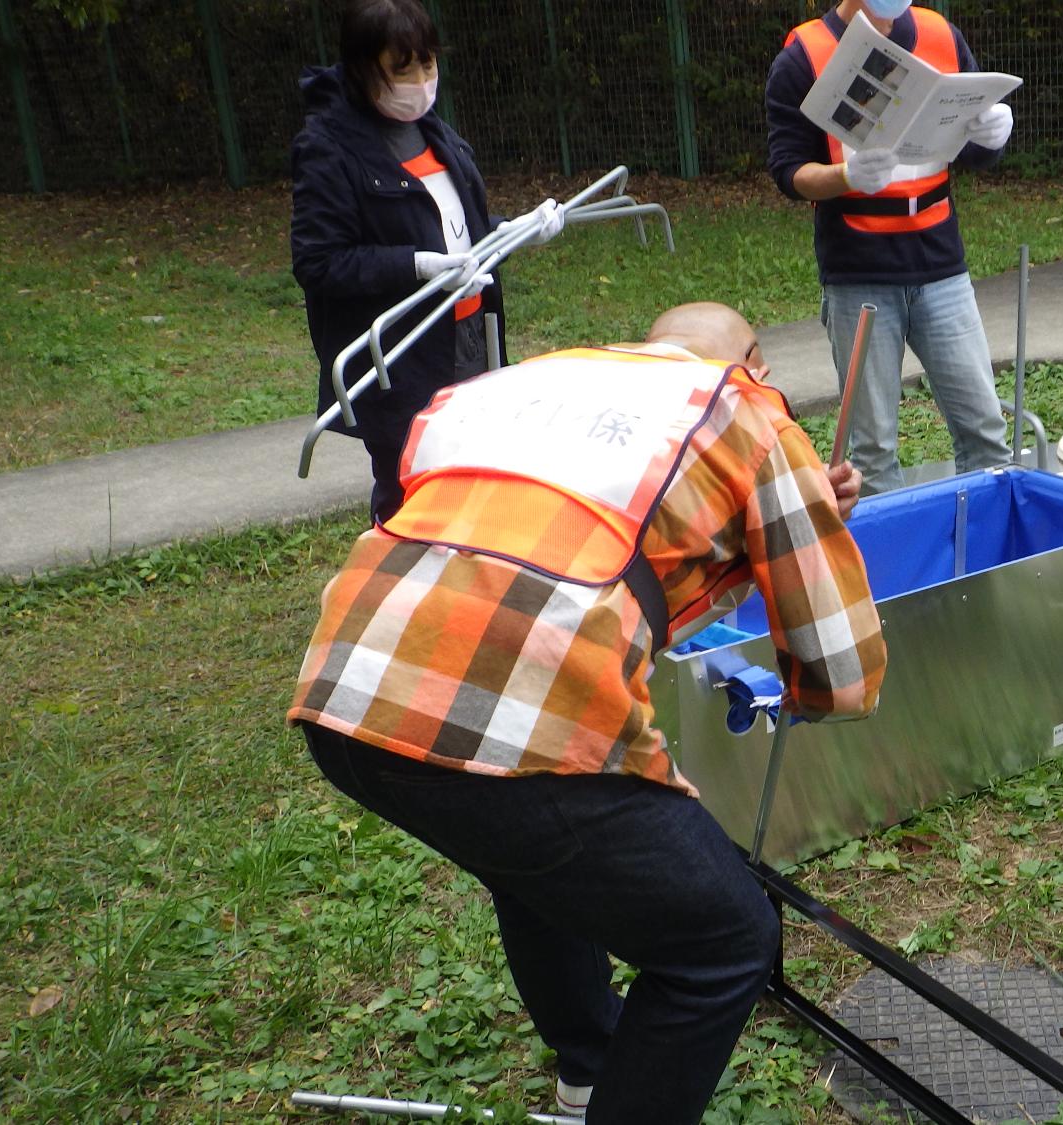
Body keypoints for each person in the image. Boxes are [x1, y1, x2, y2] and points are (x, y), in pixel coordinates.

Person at [289, 302, 887, 1123]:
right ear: (754, 363)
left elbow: (602, 567)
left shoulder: (526, 382)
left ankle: (591, 1070)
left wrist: (766, 527)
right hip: (520, 712)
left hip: (347, 689)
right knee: (726, 941)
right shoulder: (741, 409)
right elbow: (835, 666)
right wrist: (802, 545)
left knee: (533, 862)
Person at [290, 0, 562, 521]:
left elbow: (455, 221)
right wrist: (415, 265)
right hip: (403, 359)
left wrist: (511, 230)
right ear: (362, 68)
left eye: (428, 63)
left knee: (476, 485)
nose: (420, 79)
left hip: (469, 336)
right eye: (402, 68)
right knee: (412, 498)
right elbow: (319, 263)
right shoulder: (327, 148)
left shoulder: (431, 127)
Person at [766, 0, 1015, 494]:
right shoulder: (806, 53)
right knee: (873, 457)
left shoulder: (939, 34)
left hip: (941, 267)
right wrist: (845, 175)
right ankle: (884, 569)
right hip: (858, 275)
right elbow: (788, 171)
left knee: (985, 433)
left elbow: (969, 141)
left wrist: (991, 137)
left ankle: (991, 560)